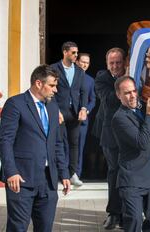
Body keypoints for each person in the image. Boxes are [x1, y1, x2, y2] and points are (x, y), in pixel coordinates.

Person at [0, 64, 71, 231]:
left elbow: (57, 143)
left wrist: (64, 173)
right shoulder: (15, 104)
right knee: (18, 228)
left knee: (45, 228)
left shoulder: (52, 106)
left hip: (48, 181)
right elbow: (5, 140)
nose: (55, 90)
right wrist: (11, 172)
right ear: (39, 83)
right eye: (52, 85)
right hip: (21, 179)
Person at [111, 76, 150, 232]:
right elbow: (141, 142)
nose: (132, 95)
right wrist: (149, 117)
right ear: (119, 95)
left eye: (134, 91)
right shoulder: (119, 118)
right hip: (132, 177)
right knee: (134, 221)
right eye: (127, 93)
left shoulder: (146, 107)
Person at [95, 47, 126, 230]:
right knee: (114, 172)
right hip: (110, 133)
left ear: (125, 62)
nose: (115, 66)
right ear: (107, 64)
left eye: (118, 62)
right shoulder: (102, 78)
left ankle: (129, 212)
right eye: (111, 63)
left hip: (132, 133)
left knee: (128, 172)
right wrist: (127, 86)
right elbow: (108, 99)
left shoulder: (135, 74)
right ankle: (114, 213)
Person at [51, 41, 88, 186]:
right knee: (58, 143)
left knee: (74, 144)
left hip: (75, 113)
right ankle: (61, 174)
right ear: (65, 52)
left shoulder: (79, 71)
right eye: (73, 53)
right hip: (59, 111)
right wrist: (55, 111)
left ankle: (72, 173)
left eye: (77, 53)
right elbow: (51, 92)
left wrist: (83, 108)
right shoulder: (54, 68)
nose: (76, 55)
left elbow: (83, 91)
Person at [75, 53, 96, 177]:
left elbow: (92, 100)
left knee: (79, 146)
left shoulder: (90, 80)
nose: (84, 65)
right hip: (69, 117)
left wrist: (86, 111)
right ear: (77, 62)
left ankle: (77, 173)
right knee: (66, 146)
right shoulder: (69, 77)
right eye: (82, 62)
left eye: (87, 63)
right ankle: (65, 174)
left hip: (83, 119)